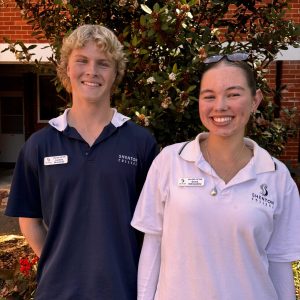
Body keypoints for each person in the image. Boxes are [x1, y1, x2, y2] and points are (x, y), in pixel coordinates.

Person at [5, 24, 158, 300]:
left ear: (115, 74)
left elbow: (153, 226)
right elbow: (29, 219)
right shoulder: (39, 146)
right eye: (82, 61)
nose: (92, 71)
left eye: (103, 63)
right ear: (66, 69)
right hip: (57, 291)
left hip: (123, 289)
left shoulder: (140, 143)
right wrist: (61, 258)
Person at [131, 53, 300, 300]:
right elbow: (152, 247)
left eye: (233, 94)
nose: (220, 106)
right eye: (209, 96)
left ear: (255, 100)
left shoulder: (276, 176)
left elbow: (279, 263)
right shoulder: (169, 161)